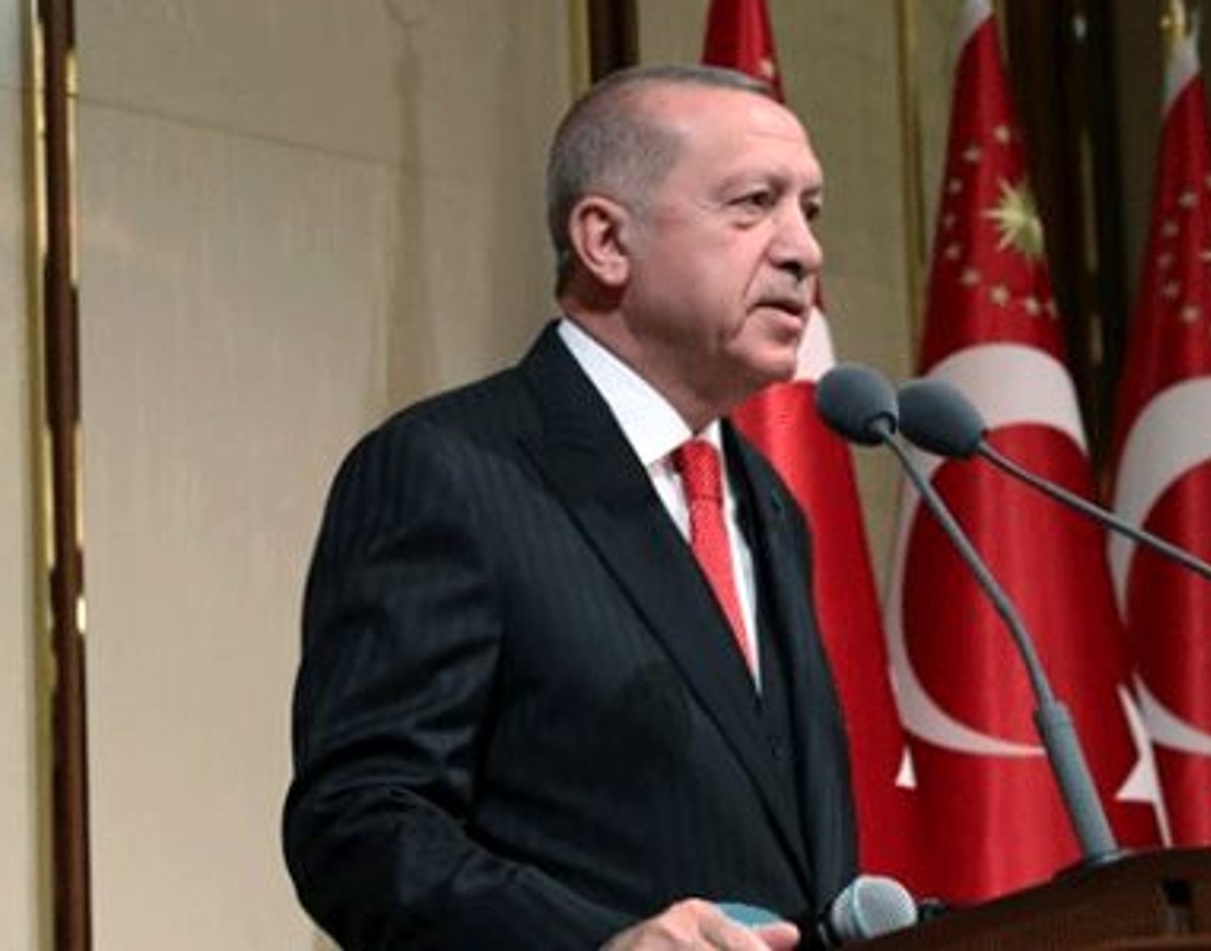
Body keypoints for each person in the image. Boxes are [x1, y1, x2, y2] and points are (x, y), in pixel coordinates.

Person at [283, 64, 858, 949]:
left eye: (809, 211)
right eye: (754, 204)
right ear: (605, 240)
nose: (803, 251)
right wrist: (600, 945)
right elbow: (361, 823)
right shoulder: (449, 469)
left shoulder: (768, 505)